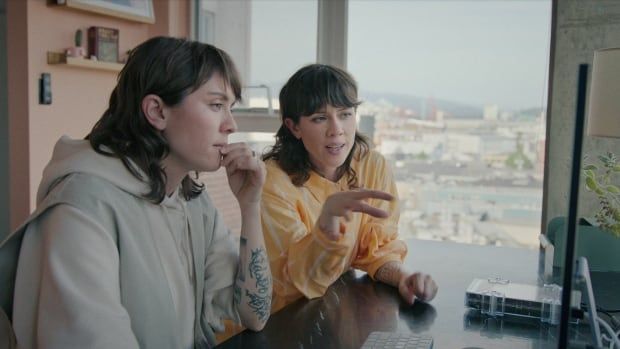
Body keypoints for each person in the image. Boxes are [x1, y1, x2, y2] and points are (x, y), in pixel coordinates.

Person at [0, 36, 271, 349]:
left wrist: (250, 207)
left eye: (230, 107)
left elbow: (254, 314)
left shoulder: (192, 200)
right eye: (216, 105)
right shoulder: (80, 210)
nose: (230, 124)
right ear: (156, 111)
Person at [261, 64, 437, 313]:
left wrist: (403, 277)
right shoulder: (272, 181)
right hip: (281, 320)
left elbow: (375, 249)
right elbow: (296, 282)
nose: (336, 130)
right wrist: (325, 231)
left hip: (336, 312)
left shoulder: (371, 165)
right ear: (294, 127)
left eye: (345, 114)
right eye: (320, 118)